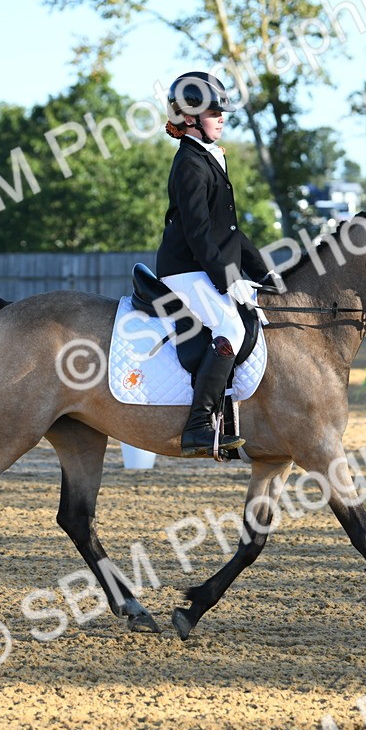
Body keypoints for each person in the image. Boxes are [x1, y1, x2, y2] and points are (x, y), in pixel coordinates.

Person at [157, 71, 278, 457]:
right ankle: (197, 425)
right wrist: (229, 280)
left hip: (203, 265)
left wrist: (264, 274)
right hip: (184, 269)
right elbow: (198, 234)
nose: (222, 118)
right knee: (230, 325)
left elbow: (229, 232)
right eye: (214, 112)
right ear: (190, 118)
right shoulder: (190, 164)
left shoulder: (210, 158)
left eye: (222, 112)